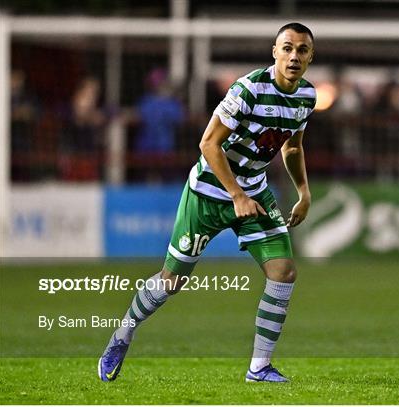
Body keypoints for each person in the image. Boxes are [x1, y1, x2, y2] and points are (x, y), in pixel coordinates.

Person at [98, 22, 316, 383]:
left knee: (284, 272)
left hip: (255, 192)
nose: (294, 56)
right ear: (274, 52)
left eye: (302, 50)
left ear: (310, 56)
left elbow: (292, 146)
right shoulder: (247, 89)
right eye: (288, 48)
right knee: (171, 281)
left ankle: (259, 368)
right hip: (210, 192)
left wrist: (304, 192)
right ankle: (122, 334)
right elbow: (208, 145)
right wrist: (236, 195)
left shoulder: (306, 97)